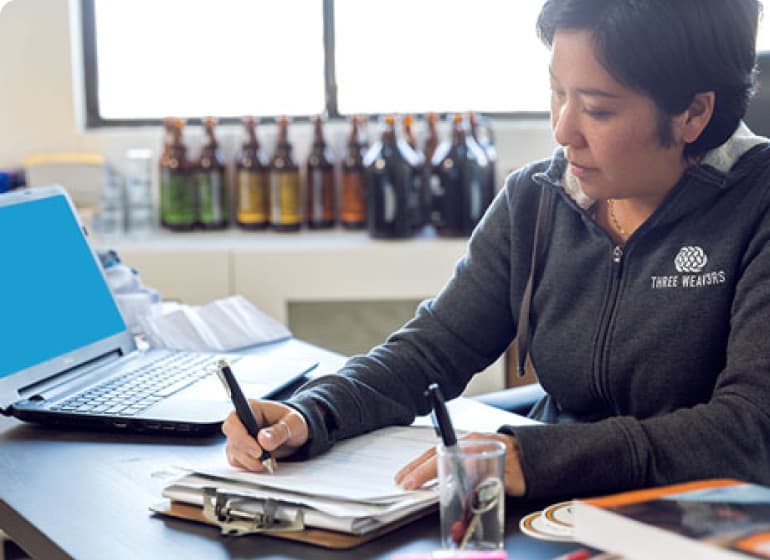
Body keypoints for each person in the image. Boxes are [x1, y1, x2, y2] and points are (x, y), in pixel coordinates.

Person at [224, 0, 770, 501]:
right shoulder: (536, 198)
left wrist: (540, 459)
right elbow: (432, 351)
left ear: (693, 114)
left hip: (702, 524)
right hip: (551, 512)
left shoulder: (759, 204)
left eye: (598, 110)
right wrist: (312, 412)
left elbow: (748, 429)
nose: (562, 131)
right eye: (558, 93)